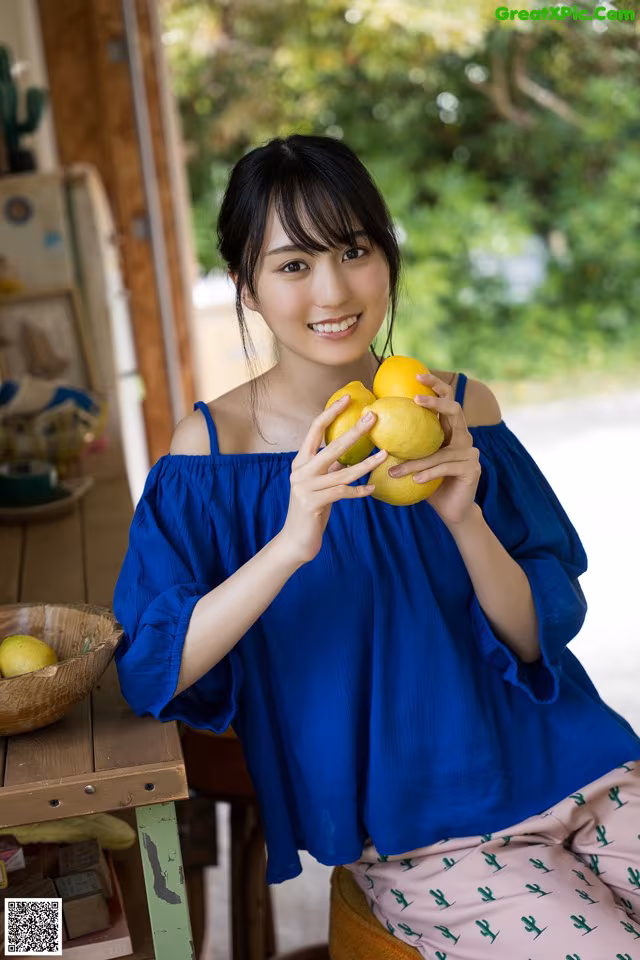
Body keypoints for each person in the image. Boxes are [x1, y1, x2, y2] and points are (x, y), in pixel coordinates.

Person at [113, 134, 640, 958]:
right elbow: (154, 666)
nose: (333, 289)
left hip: (581, 768)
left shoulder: (463, 412)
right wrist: (290, 541)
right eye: (293, 265)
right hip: (426, 834)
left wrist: (463, 515)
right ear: (245, 286)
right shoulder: (210, 457)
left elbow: (537, 638)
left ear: (386, 257)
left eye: (354, 250)